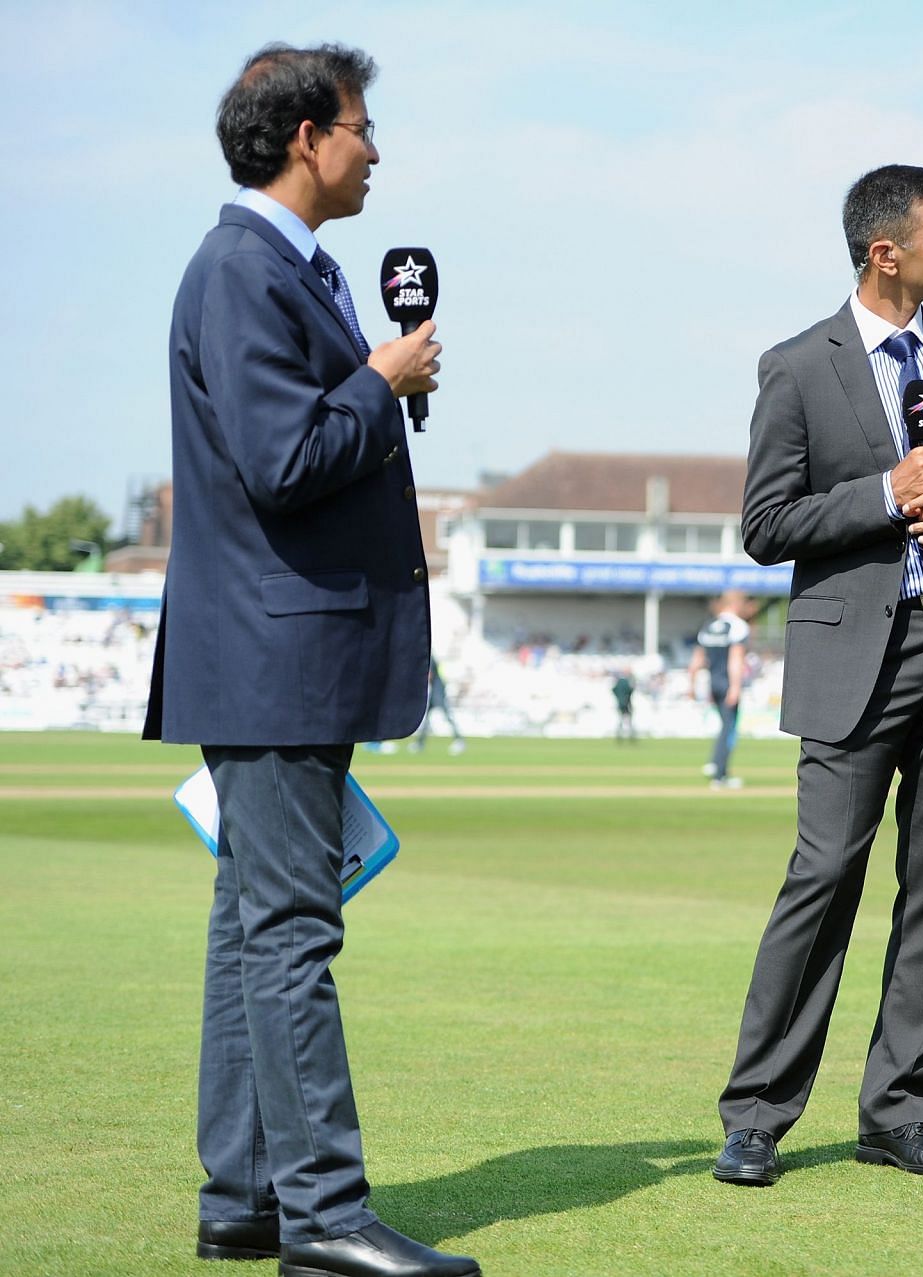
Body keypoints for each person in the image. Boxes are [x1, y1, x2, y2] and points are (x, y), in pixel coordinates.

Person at [143, 43, 478, 1276]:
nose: (375, 147)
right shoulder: (242, 270)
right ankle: (326, 1216)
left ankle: (243, 1197)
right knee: (292, 931)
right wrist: (382, 379)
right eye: (361, 125)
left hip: (278, 652)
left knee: (254, 924)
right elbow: (281, 461)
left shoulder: (284, 269)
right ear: (304, 138)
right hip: (276, 652)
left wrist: (375, 378)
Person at [713, 164, 923, 1186]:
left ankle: (897, 1111)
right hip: (853, 656)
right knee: (823, 878)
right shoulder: (796, 366)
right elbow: (766, 525)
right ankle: (757, 1118)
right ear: (885, 251)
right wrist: (887, 492)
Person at [687, 590, 752, 788]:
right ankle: (720, 774)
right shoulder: (737, 626)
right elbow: (735, 659)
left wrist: (691, 685)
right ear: (737, 604)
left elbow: (697, 660)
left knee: (724, 726)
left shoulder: (708, 626)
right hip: (726, 683)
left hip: (712, 683)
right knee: (729, 728)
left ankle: (715, 764)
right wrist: (735, 687)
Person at [408, 657, 466, 754]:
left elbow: (429, 675)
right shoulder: (430, 657)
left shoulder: (429, 658)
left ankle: (459, 741)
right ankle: (420, 743)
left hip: (438, 693)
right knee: (427, 719)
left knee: (447, 717)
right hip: (436, 692)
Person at [611, 668, 637, 743]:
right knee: (629, 721)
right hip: (627, 703)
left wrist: (618, 698)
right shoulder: (626, 681)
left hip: (620, 704)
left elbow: (614, 690)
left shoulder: (619, 681)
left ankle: (619, 736)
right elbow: (631, 690)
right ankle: (631, 737)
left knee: (621, 720)